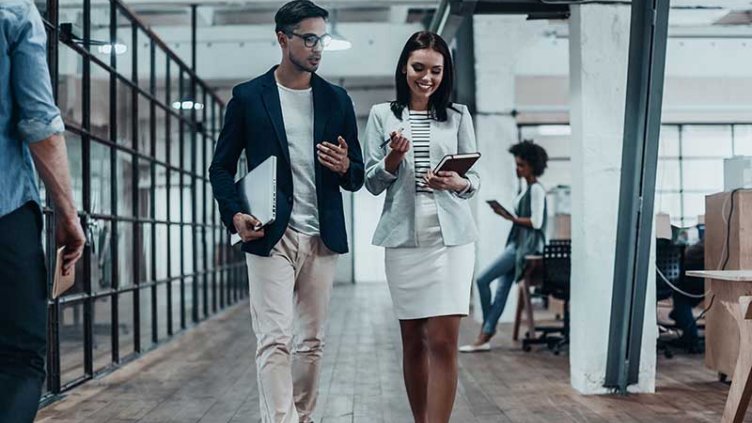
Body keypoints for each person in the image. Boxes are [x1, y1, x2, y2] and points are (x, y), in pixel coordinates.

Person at [208, 1, 364, 422]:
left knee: (311, 341)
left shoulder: (337, 100)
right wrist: (235, 214)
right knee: (274, 339)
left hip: (322, 235)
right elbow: (221, 167)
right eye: (309, 38)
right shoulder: (248, 97)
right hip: (269, 234)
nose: (317, 48)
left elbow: (357, 176)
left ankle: (302, 415)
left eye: (322, 39)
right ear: (283, 39)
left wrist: (346, 166)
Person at [363, 31, 480, 423]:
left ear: (445, 73)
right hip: (404, 242)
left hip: (452, 244)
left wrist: (458, 182)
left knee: (444, 342)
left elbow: (474, 181)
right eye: (419, 68)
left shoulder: (459, 115)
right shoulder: (382, 115)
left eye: (435, 70)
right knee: (413, 341)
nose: (426, 77)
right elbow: (372, 182)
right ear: (404, 68)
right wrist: (393, 160)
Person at [0, 1, 86, 422]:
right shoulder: (13, 11)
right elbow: (39, 125)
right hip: (6, 211)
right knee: (18, 359)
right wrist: (69, 216)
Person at [460, 140, 548, 353]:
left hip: (523, 248)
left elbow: (536, 222)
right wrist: (509, 216)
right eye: (517, 164)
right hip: (517, 244)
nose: (518, 169)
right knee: (501, 291)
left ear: (532, 166)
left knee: (482, 280)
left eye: (521, 165)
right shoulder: (528, 189)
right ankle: (485, 335)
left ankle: (486, 331)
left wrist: (508, 217)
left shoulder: (536, 190)